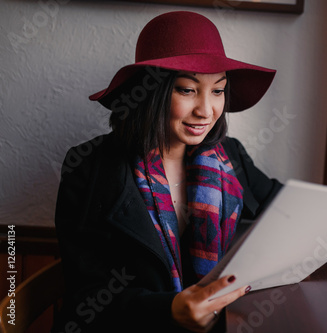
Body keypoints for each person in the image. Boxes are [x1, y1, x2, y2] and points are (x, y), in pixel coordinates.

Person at [53, 11, 282, 333]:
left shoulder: (230, 157)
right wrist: (170, 309)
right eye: (187, 90)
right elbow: (85, 298)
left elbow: (285, 208)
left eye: (218, 90)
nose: (206, 110)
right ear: (150, 91)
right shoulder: (91, 167)